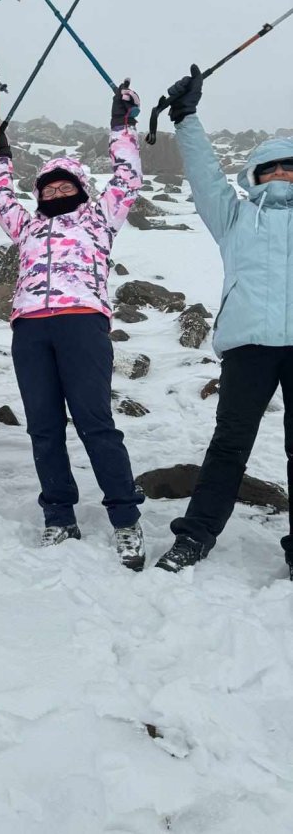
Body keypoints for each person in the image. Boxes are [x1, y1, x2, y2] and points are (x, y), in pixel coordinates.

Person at [0, 83, 146, 570]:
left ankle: (125, 519)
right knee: (44, 428)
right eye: (48, 187)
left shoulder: (100, 216)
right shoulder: (28, 226)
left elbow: (128, 178)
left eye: (65, 185)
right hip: (30, 329)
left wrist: (121, 128)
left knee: (96, 425)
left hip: (82, 324)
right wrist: (0, 158)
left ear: (81, 189)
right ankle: (58, 514)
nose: (56, 191)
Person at [155, 66, 293, 577]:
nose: (280, 174)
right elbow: (206, 174)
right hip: (248, 347)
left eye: (289, 167)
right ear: (254, 176)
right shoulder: (234, 216)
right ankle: (195, 536)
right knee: (229, 446)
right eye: (270, 168)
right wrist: (186, 117)